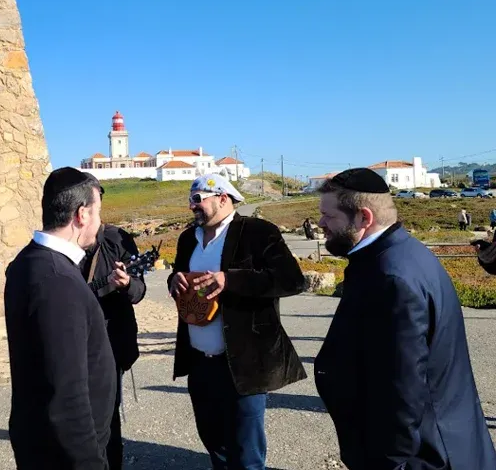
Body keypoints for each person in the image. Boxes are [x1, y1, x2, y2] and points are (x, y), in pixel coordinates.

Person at [314, 168, 496, 470]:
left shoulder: (392, 278)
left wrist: (391, 464)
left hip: (425, 456)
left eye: (329, 216)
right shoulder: (398, 254)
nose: (321, 224)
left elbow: (401, 392)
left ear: (363, 218)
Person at [168, 174, 306, 470]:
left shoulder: (257, 232)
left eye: (197, 199)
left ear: (222, 198)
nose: (191, 206)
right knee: (214, 442)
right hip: (200, 361)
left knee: (247, 452)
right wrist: (173, 280)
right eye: (190, 199)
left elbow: (292, 280)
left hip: (243, 362)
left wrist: (229, 280)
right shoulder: (187, 238)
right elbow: (178, 275)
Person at [4, 167, 115, 469]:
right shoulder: (57, 279)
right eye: (97, 212)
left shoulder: (28, 261)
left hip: (42, 440)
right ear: (81, 215)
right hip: (61, 454)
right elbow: (67, 395)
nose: (100, 222)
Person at [80, 220, 146, 470]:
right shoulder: (63, 236)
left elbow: (139, 290)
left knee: (107, 417)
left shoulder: (117, 238)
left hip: (109, 343)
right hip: (72, 340)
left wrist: (127, 284)